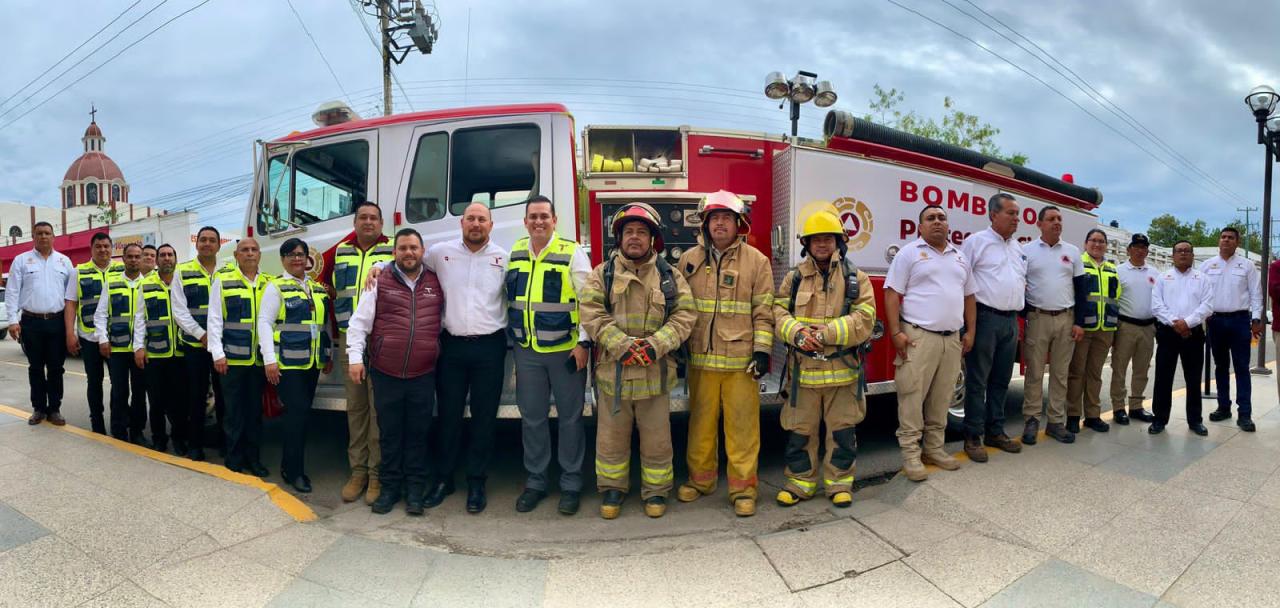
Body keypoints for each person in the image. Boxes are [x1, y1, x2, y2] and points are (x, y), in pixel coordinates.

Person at [580, 203, 695, 519]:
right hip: (613, 377)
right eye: (628, 231)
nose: (634, 237)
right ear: (619, 238)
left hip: (654, 376)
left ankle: (656, 491)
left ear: (652, 239)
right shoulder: (601, 274)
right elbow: (590, 312)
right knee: (611, 440)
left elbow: (685, 315)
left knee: (657, 441)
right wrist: (622, 346)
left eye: (641, 232)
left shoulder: (669, 276)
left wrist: (656, 345)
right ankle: (612, 489)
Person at [674, 190, 774, 517]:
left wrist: (762, 351)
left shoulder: (757, 262)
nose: (720, 223)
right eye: (714, 218)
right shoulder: (688, 260)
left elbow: (764, 312)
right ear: (705, 224)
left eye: (726, 218)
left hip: (741, 364)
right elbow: (678, 308)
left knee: (742, 429)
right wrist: (678, 346)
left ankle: (743, 490)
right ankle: (700, 481)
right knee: (700, 426)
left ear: (738, 223)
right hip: (700, 361)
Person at [772, 206, 876, 507]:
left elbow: (866, 318)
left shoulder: (856, 278)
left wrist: (826, 334)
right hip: (802, 375)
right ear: (806, 243)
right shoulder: (793, 278)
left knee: (842, 433)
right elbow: (777, 312)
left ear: (838, 241)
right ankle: (799, 483)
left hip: (842, 375)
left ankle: (839, 484)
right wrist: (797, 333)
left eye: (828, 238)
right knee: (799, 433)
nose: (821, 244)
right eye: (815, 239)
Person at [346, 228, 443, 516]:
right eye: (402, 248)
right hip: (386, 372)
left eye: (414, 247)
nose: (408, 253)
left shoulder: (436, 281)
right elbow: (359, 323)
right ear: (394, 252)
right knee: (389, 434)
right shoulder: (379, 280)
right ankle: (389, 489)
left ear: (422, 251)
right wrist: (355, 358)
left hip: (423, 373)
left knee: (417, 434)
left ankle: (414, 490)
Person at [421, 202, 508, 514]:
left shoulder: (504, 258)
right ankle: (444, 479)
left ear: (491, 225)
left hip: (490, 348)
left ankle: (476, 481)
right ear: (461, 223)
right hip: (452, 347)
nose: (476, 224)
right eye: (470, 218)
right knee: (448, 416)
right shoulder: (439, 253)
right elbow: (406, 260)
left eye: (482, 219)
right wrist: (379, 267)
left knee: (484, 418)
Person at [507, 196, 590, 516]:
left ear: (555, 220)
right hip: (527, 351)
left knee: (570, 419)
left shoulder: (572, 252)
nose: (538, 221)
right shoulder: (516, 252)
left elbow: (589, 301)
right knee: (532, 418)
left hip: (565, 352)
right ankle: (536, 482)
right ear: (525, 222)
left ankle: (571, 484)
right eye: (533, 217)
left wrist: (584, 343)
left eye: (544, 216)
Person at [884, 204, 975, 481]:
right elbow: (892, 293)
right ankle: (911, 454)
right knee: (912, 396)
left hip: (952, 339)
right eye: (930, 218)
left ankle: (934, 449)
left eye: (942, 218)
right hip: (919, 337)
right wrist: (896, 333)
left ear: (948, 225)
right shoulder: (909, 253)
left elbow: (969, 296)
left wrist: (970, 331)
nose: (937, 221)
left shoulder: (960, 257)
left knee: (942, 396)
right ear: (920, 227)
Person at [329, 201, 393, 505]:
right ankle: (358, 472)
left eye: (373, 218)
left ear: (381, 223)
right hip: (348, 340)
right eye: (363, 217)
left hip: (380, 341)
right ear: (354, 223)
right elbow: (327, 287)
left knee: (378, 409)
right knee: (356, 409)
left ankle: (376, 474)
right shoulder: (340, 252)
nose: (368, 222)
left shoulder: (393, 250)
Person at [258, 238, 332, 493]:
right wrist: (269, 359)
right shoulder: (275, 287)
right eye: (290, 254)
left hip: (311, 363)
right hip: (287, 364)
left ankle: (288, 465)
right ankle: (294, 471)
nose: (296, 258)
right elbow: (264, 323)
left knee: (300, 415)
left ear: (307, 259)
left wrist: (327, 354)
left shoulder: (316, 289)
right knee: (297, 415)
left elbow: (324, 325)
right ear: (283, 260)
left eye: (300, 254)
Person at [958, 193, 1026, 461]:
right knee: (978, 381)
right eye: (1011, 213)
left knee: (1001, 380)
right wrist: (968, 327)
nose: (1016, 219)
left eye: (1017, 214)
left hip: (1011, 321)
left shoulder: (1017, 248)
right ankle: (972, 436)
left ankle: (995, 431)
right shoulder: (976, 243)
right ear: (993, 215)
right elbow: (963, 284)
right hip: (985, 318)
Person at [1019, 206, 1084, 445]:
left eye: (1059, 219)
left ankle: (1056, 422)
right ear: (1039, 224)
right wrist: (1025, 312)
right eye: (1051, 219)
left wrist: (1079, 322)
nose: (1057, 222)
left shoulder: (1072, 252)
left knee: (1060, 373)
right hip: (1038, 318)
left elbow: (1081, 289)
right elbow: (1018, 283)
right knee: (1034, 372)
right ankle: (1031, 420)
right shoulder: (1026, 251)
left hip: (1066, 319)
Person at [208, 238, 272, 476]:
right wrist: (218, 354)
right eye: (244, 250)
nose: (250, 253)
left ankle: (253, 459)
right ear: (236, 255)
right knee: (233, 413)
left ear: (260, 255)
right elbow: (214, 319)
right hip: (231, 360)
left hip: (258, 361)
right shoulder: (223, 280)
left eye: (254, 249)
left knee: (254, 413)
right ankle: (234, 458)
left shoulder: (269, 283)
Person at [7, 221, 75, 425]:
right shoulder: (21, 260)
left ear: (53, 237)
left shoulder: (64, 262)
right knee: (35, 368)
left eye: (47, 233)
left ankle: (54, 409)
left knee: (56, 368)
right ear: (33, 237)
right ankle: (38, 409)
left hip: (56, 322)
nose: (43, 236)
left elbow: (71, 296)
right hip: (31, 322)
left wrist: (70, 328)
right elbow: (12, 291)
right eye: (39, 233)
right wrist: (12, 320)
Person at [1199, 227, 1263, 432]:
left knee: (1242, 367)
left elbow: (1256, 294)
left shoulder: (1247, 265)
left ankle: (1245, 414)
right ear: (1219, 241)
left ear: (1237, 242)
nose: (1226, 240)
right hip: (1215, 321)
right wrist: (1202, 315)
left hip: (1240, 321)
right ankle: (1223, 407)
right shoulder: (1207, 265)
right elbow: (1199, 292)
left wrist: (1256, 318)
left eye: (1230, 238)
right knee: (1220, 367)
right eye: (1223, 237)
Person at [172, 226, 227, 461]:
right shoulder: (182, 271)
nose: (207, 243)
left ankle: (226, 443)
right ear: (196, 244)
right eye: (203, 240)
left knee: (224, 397)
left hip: (222, 348)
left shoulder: (228, 271)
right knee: (196, 396)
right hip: (195, 346)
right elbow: (179, 311)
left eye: (212, 240)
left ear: (219, 245)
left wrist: (215, 340)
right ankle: (195, 445)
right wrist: (202, 335)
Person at [1150, 241, 1213, 435]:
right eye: (1179, 251)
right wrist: (1175, 323)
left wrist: (1187, 323)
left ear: (1192, 255)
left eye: (1187, 251)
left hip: (1193, 334)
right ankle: (1159, 419)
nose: (1183, 254)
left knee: (1193, 379)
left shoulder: (1202, 279)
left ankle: (1195, 420)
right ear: (1173, 255)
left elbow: (1207, 306)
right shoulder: (1163, 278)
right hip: (1168, 333)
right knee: (1163, 377)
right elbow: (1156, 306)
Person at [63, 232, 121, 434]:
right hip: (89, 337)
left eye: (106, 246)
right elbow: (71, 303)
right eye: (98, 246)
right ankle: (97, 424)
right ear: (92, 249)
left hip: (116, 338)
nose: (103, 250)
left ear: (112, 248)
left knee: (118, 383)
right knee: (94, 382)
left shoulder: (121, 269)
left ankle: (118, 424)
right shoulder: (78, 272)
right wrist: (70, 333)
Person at [1065, 228, 1121, 434]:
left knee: (1095, 374)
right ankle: (1073, 415)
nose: (1097, 244)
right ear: (1085, 243)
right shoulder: (1078, 264)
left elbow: (1116, 298)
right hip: (1083, 328)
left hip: (1105, 329)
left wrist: (1114, 328)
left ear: (1106, 245)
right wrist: (1075, 322)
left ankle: (1092, 416)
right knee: (1076, 373)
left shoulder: (1112, 268)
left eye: (1101, 241)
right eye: (1093, 240)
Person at [133, 244, 186, 454]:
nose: (166, 258)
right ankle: (159, 439)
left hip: (180, 352)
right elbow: (139, 318)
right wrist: (138, 347)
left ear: (175, 258)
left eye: (170, 254)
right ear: (157, 260)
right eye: (162, 255)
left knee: (179, 400)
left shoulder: (183, 282)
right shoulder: (145, 285)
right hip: (155, 353)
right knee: (156, 400)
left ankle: (179, 439)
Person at [94, 243, 149, 444]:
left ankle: (137, 431)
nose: (134, 260)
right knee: (119, 391)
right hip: (117, 348)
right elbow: (100, 314)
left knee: (139, 392)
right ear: (123, 259)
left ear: (142, 259)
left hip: (140, 350)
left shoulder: (149, 284)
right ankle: (118, 430)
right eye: (130, 256)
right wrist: (103, 339)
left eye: (137, 256)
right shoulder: (111, 283)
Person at [1109, 234, 1159, 425]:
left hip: (1148, 327)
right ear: (1129, 249)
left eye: (1143, 247)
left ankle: (1136, 406)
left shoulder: (1154, 273)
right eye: (1136, 247)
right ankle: (1118, 407)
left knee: (1142, 369)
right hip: (1125, 326)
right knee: (1119, 368)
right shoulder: (1118, 271)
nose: (1140, 250)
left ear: (1147, 251)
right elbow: (1112, 300)